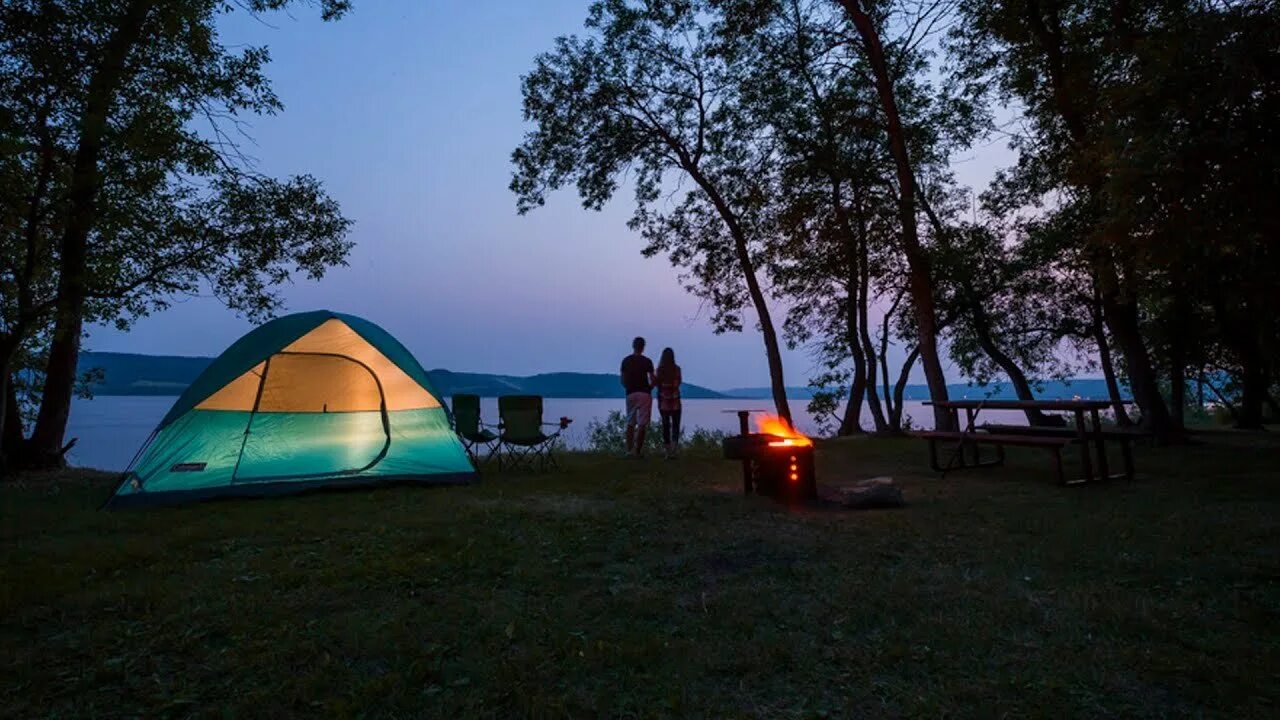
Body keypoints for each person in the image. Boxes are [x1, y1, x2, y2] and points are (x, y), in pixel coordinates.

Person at [620, 336, 655, 457]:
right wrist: (650, 388)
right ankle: (637, 451)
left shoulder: (626, 361)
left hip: (631, 393)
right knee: (642, 423)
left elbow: (623, 380)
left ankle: (629, 451)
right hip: (644, 393)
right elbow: (653, 379)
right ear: (643, 347)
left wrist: (628, 388)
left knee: (630, 422)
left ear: (633, 346)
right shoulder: (647, 361)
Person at [655, 347, 682, 459]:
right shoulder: (677, 369)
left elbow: (657, 385)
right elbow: (679, 382)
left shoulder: (659, 370)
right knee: (675, 426)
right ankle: (674, 451)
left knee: (665, 427)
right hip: (675, 401)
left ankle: (667, 452)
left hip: (663, 402)